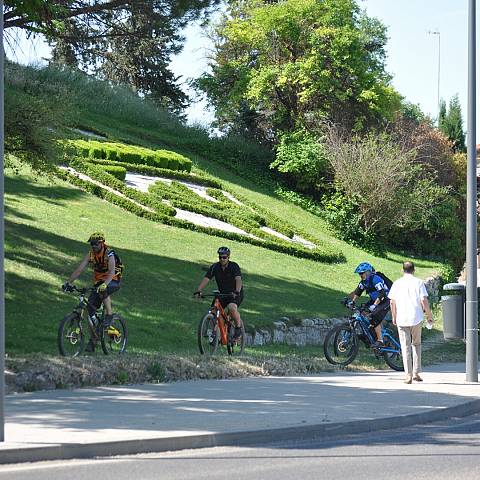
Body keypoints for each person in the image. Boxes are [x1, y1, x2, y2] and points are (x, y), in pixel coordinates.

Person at [63, 232, 123, 351]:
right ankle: (93, 340)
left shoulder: (109, 253)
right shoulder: (91, 254)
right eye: (91, 244)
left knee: (102, 289)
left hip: (114, 280)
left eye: (95, 244)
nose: (93, 246)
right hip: (99, 282)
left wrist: (105, 284)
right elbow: (79, 269)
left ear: (102, 243)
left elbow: (111, 271)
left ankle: (109, 315)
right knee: (89, 311)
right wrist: (68, 283)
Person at [388, 261, 434, 384]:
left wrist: (394, 316)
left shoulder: (397, 283)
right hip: (416, 318)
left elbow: (392, 301)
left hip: (402, 318)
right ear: (414, 270)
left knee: (405, 346)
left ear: (402, 270)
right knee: (417, 344)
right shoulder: (418, 282)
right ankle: (416, 373)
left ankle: (407, 375)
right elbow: (424, 299)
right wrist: (429, 315)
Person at [194, 246, 244, 339]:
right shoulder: (215, 267)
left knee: (232, 308)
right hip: (222, 294)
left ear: (228, 257)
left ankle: (238, 328)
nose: (222, 259)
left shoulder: (234, 266)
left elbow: (238, 279)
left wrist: (237, 291)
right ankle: (215, 335)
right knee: (213, 311)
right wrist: (199, 290)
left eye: (224, 257)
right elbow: (206, 278)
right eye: (220, 257)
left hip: (235, 293)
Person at [348, 262, 390, 347]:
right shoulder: (364, 282)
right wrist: (352, 302)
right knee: (362, 312)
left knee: (374, 317)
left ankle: (380, 340)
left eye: (362, 273)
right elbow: (358, 292)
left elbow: (382, 294)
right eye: (359, 273)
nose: (360, 275)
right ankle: (371, 335)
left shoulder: (375, 279)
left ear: (368, 272)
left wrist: (374, 305)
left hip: (386, 301)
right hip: (375, 300)